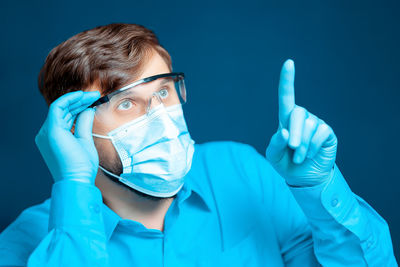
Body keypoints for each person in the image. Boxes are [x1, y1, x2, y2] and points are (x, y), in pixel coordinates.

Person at [0, 23, 397, 266]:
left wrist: (317, 188)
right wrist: (74, 184)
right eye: (126, 102)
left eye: (163, 92)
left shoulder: (240, 169)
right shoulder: (29, 239)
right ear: (72, 128)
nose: (158, 115)